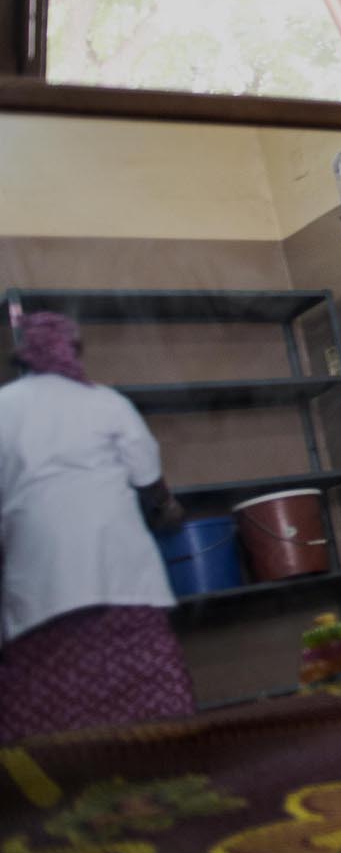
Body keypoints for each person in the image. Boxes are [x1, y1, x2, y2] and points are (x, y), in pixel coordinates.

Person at [0, 313, 195, 737]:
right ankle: (167, 773)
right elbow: (149, 481)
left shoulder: (3, 406)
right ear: (74, 350)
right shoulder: (105, 402)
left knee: (48, 705)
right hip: (120, 574)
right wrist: (168, 513)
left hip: (40, 586)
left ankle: (65, 786)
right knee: (147, 696)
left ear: (25, 356)